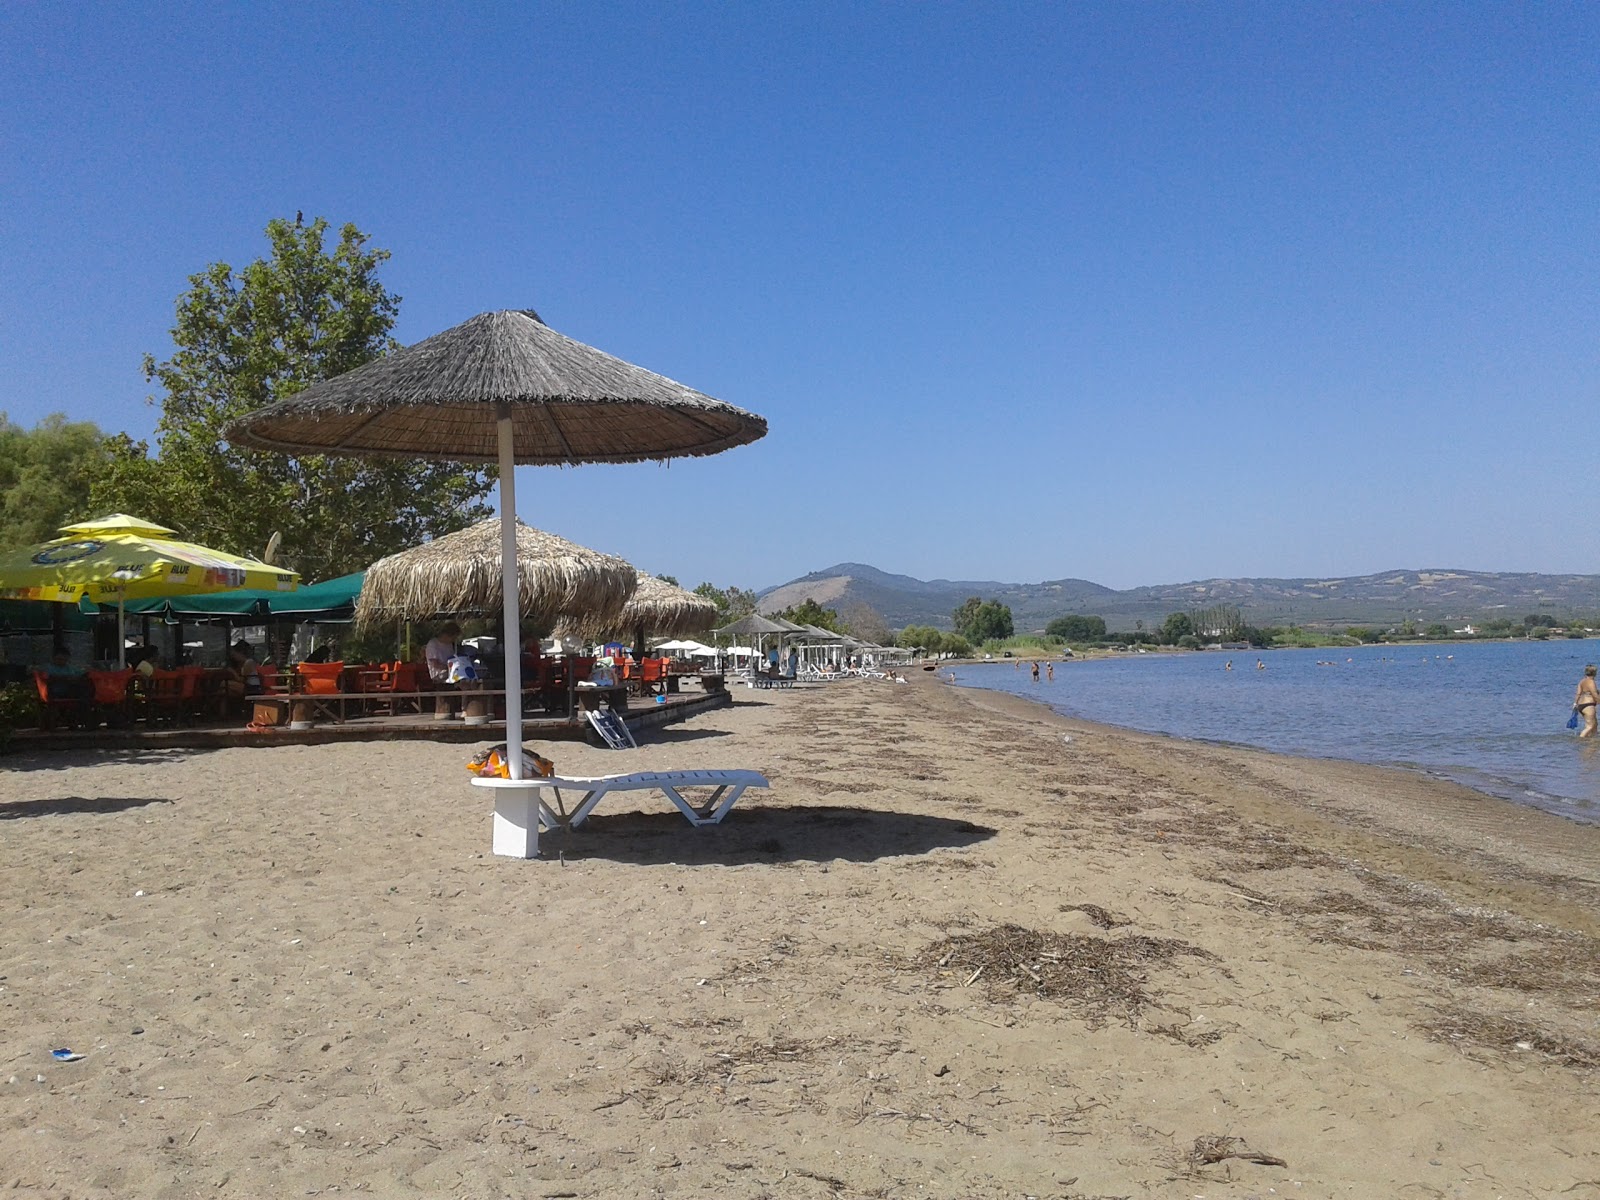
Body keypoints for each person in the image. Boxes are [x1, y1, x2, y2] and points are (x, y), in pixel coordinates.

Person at [225, 639, 263, 704]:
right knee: (224, 691)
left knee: (225, 684)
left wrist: (232, 672)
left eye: (234, 653)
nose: (233, 656)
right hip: (248, 686)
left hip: (252, 688)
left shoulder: (248, 663)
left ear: (240, 653)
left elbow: (241, 680)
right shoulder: (243, 663)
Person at [1574, 665, 1600, 738]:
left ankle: (1592, 742)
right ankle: (1580, 740)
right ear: (1594, 673)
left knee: (1595, 725)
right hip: (1588, 705)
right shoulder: (1591, 682)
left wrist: (1575, 703)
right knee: (1590, 726)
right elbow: (1594, 694)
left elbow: (1578, 693)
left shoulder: (1582, 681)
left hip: (1581, 705)